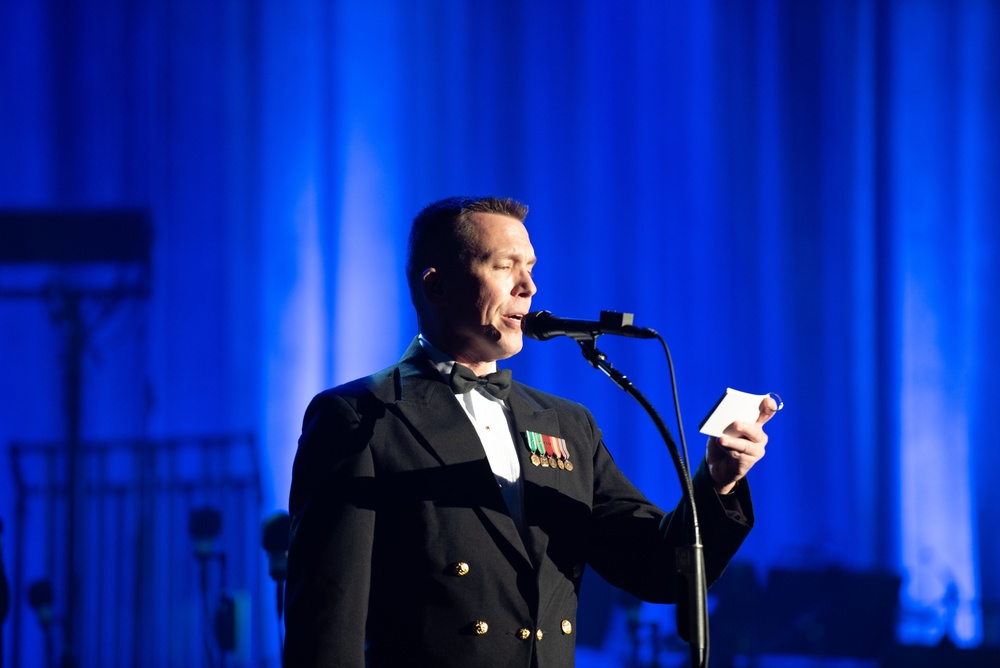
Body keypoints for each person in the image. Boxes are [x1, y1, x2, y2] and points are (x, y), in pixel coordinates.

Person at [284, 196, 776, 667]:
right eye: (504, 266)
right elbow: (327, 623)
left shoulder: (566, 424)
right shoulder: (361, 416)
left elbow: (655, 567)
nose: (529, 287)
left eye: (531, 268)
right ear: (436, 285)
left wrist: (719, 483)